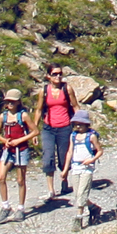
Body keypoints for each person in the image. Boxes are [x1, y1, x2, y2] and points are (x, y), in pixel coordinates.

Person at [0, 87, 35, 222]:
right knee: (0, 177)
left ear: (18, 102)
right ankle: (5, 206)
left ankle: (21, 208)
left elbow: (34, 131)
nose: (10, 104)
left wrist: (19, 140)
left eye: (13, 101)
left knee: (20, 180)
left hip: (21, 150)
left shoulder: (23, 116)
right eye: (8, 101)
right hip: (8, 150)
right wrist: (5, 141)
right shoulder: (3, 116)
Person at [38, 65, 78, 199]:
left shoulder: (67, 89)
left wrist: (81, 124)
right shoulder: (44, 91)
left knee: (63, 156)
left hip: (65, 127)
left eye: (60, 74)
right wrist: (34, 128)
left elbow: (75, 106)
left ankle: (64, 181)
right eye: (54, 74)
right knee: (48, 156)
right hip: (48, 128)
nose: (58, 76)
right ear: (48, 76)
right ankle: (51, 190)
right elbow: (38, 109)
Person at [65, 109, 102, 226]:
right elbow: (70, 152)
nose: (78, 126)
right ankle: (93, 207)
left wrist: (91, 160)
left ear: (86, 124)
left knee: (82, 193)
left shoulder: (91, 137)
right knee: (77, 194)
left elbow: (100, 151)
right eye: (76, 124)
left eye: (80, 124)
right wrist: (66, 169)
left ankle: (79, 217)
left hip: (87, 168)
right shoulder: (73, 136)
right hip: (75, 167)